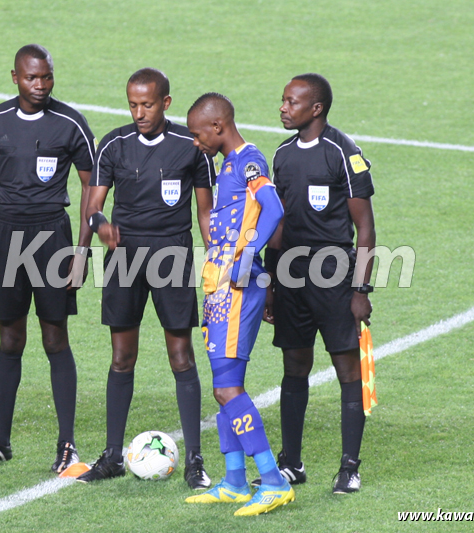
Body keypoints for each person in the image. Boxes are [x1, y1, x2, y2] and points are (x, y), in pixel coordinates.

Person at [77, 68, 214, 490]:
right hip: (124, 257)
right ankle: (112, 455)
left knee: (181, 356)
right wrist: (100, 224)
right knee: (121, 357)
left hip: (172, 254)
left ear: (166, 103)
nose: (139, 112)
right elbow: (94, 205)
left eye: (147, 104)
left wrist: (217, 260)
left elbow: (204, 213)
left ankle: (194, 459)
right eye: (133, 104)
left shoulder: (191, 148)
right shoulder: (113, 144)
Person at [0, 44, 95, 474]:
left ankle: (67, 443)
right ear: (15, 77)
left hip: (51, 238)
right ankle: (1, 440)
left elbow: (91, 191)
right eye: (31, 78)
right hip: (5, 238)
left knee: (55, 337)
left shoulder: (70, 122)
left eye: (46, 77)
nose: (40, 85)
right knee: (9, 339)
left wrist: (81, 252)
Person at [261, 73, 376, 494]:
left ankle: (349, 466)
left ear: (316, 109)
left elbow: (365, 228)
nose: (283, 107)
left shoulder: (343, 154)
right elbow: (278, 223)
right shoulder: (283, 154)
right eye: (283, 100)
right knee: (294, 365)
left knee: (347, 368)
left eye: (292, 102)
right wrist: (270, 282)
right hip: (290, 275)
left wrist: (361, 290)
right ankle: (291, 463)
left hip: (333, 276)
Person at [183, 93, 293, 516]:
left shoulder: (249, 160)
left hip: (236, 286)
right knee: (223, 387)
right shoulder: (226, 165)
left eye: (198, 134)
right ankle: (233, 480)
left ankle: (272, 479)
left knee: (228, 387)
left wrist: (248, 257)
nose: (196, 142)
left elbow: (274, 207)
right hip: (219, 284)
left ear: (217, 126)